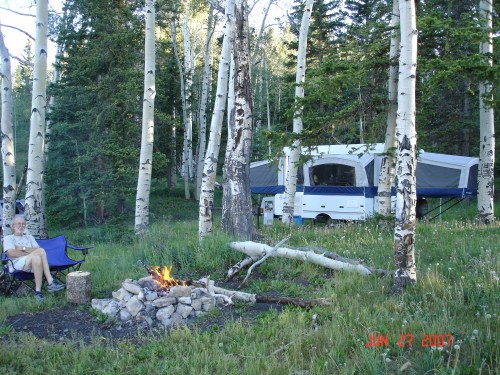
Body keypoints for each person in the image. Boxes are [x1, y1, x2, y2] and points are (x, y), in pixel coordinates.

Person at [3, 215, 65, 301]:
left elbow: (37, 250)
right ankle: (50, 281)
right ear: (13, 226)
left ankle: (38, 292)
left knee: (37, 256)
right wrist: (30, 253)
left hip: (34, 265)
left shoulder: (29, 237)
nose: (21, 226)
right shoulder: (8, 238)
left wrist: (23, 248)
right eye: (18, 224)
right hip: (17, 265)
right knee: (40, 252)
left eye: (23, 224)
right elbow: (11, 253)